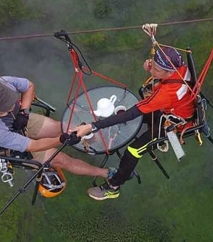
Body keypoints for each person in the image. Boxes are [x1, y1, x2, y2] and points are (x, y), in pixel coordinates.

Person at [71, 46, 196, 200]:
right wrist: (152, 68)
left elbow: (131, 114)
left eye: (156, 69)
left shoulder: (165, 94)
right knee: (127, 116)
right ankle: (105, 131)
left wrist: (93, 126)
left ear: (169, 72)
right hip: (174, 108)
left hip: (171, 124)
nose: (152, 70)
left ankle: (113, 186)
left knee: (133, 151)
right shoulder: (179, 64)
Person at [0, 76, 115, 180]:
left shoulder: (3, 83)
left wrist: (24, 111)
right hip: (9, 146)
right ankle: (105, 173)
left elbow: (29, 86)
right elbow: (34, 146)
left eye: (11, 100)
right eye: (6, 106)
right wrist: (61, 139)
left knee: (62, 127)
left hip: (19, 119)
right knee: (61, 159)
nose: (11, 105)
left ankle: (95, 142)